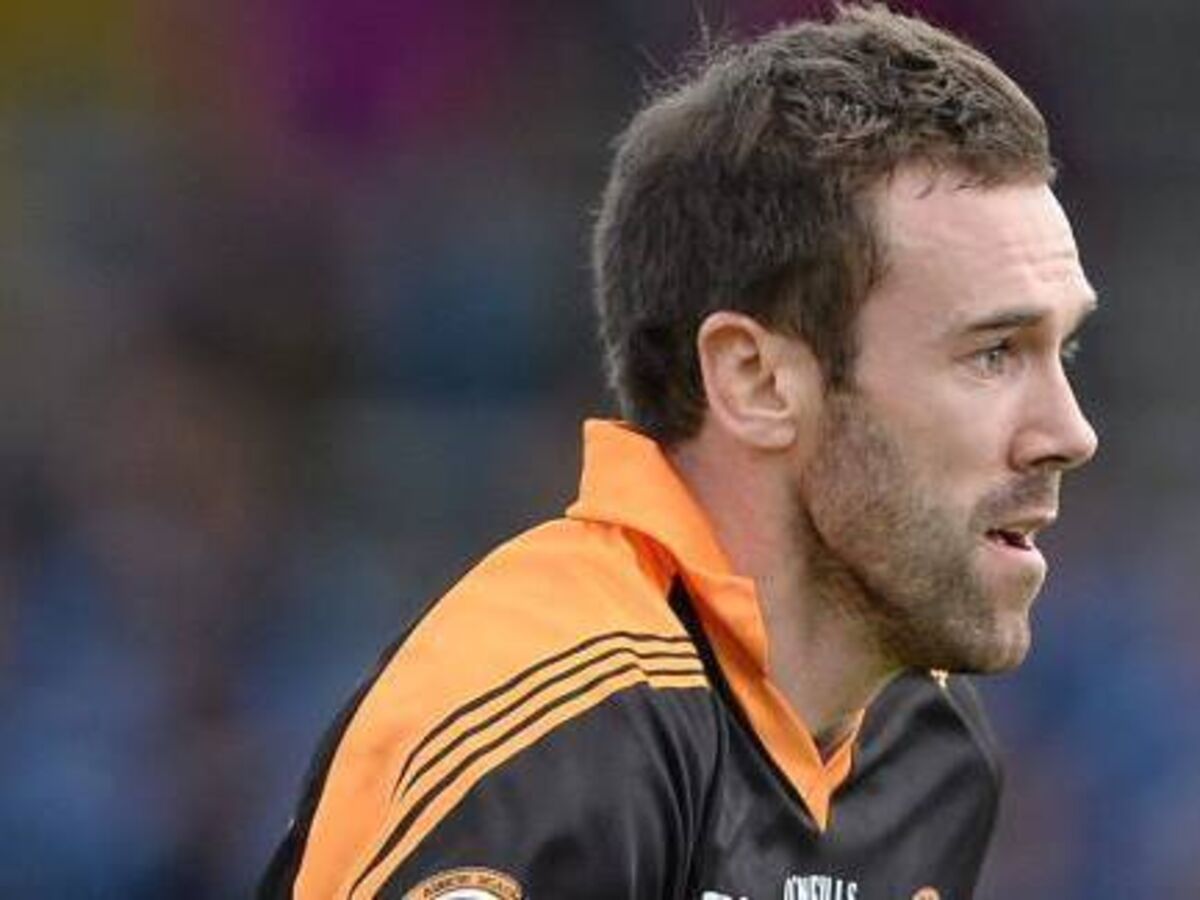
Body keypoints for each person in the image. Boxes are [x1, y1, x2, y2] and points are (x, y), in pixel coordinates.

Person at [260, 5, 1098, 898]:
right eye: (992, 354)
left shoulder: (931, 748)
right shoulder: (554, 740)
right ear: (756, 381)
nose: (1071, 433)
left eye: (1067, 349)